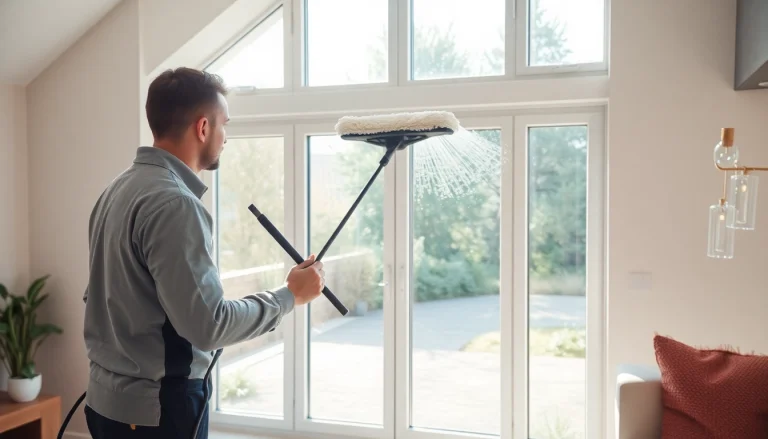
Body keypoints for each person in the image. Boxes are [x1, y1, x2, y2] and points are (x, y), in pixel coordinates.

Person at [81, 67, 324, 439]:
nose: (226, 137)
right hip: (157, 413)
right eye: (224, 124)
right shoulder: (175, 204)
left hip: (105, 404)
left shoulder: (116, 189)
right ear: (203, 127)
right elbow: (209, 326)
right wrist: (288, 296)